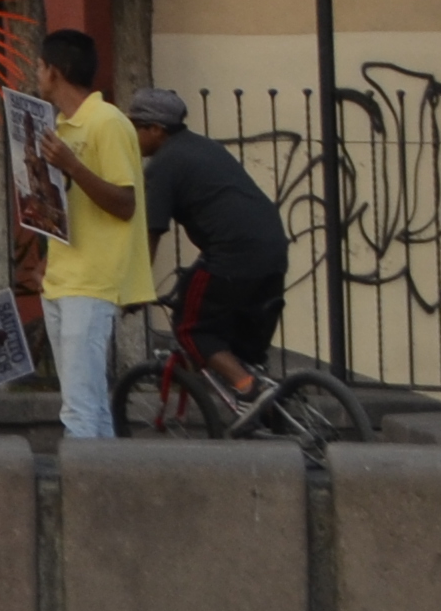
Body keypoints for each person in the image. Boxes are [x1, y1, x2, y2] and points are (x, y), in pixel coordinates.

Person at [120, 86, 288, 398]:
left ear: (155, 129)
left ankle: (248, 387)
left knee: (190, 329)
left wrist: (136, 289)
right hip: (273, 248)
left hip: (232, 254)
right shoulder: (204, 147)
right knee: (241, 347)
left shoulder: (163, 165)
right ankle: (267, 408)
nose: (131, 137)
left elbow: (151, 232)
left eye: (134, 129)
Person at [29, 30, 151, 437]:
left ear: (56, 71)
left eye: (41, 66)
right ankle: (103, 484)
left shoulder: (108, 122)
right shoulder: (60, 127)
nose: (37, 72)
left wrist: (73, 167)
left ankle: (79, 489)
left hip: (94, 279)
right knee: (87, 402)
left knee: (79, 408)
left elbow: (125, 203)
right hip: (61, 277)